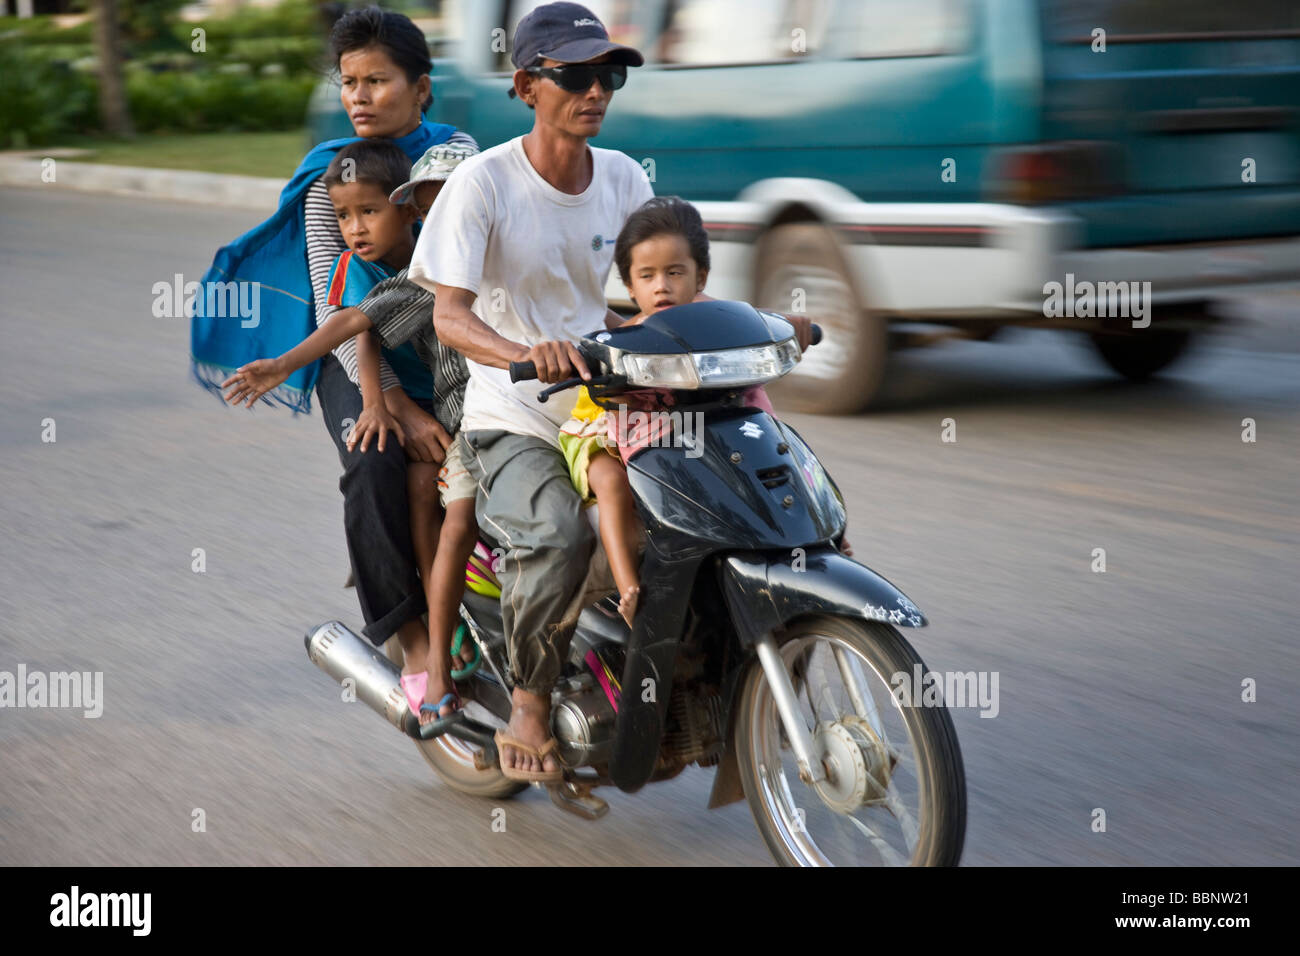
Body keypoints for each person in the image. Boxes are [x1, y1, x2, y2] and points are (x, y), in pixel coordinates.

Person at [410, 4, 814, 782]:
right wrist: (528, 354)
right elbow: (448, 316)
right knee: (562, 536)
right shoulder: (482, 184)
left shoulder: (625, 175)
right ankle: (529, 699)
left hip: (613, 402)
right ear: (528, 84)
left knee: (713, 501)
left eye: (611, 74)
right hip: (514, 415)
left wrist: (749, 327)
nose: (597, 89)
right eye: (576, 75)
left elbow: (651, 291)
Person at [191, 7, 478, 683]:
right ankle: (410, 639)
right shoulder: (334, 176)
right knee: (375, 457)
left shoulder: (454, 157)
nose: (358, 96)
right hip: (356, 348)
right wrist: (396, 403)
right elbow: (338, 302)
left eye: (377, 80)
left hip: (445, 339)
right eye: (349, 82)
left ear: (422, 87)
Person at [221, 141, 483, 730]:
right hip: (413, 395)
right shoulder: (372, 266)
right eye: (344, 215)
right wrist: (372, 402)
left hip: (456, 396)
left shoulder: (447, 249)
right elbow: (355, 327)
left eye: (368, 212)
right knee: (408, 477)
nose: (355, 228)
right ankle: (422, 632)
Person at [560, 197, 853, 629]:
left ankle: (832, 535)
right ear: (629, 286)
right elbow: (610, 392)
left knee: (782, 450)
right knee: (611, 481)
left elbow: (753, 323)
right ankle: (627, 588)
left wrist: (787, 324)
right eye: (647, 276)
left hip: (704, 423)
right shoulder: (626, 338)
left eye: (675, 272)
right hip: (618, 428)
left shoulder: (715, 316)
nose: (661, 286)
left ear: (700, 276)